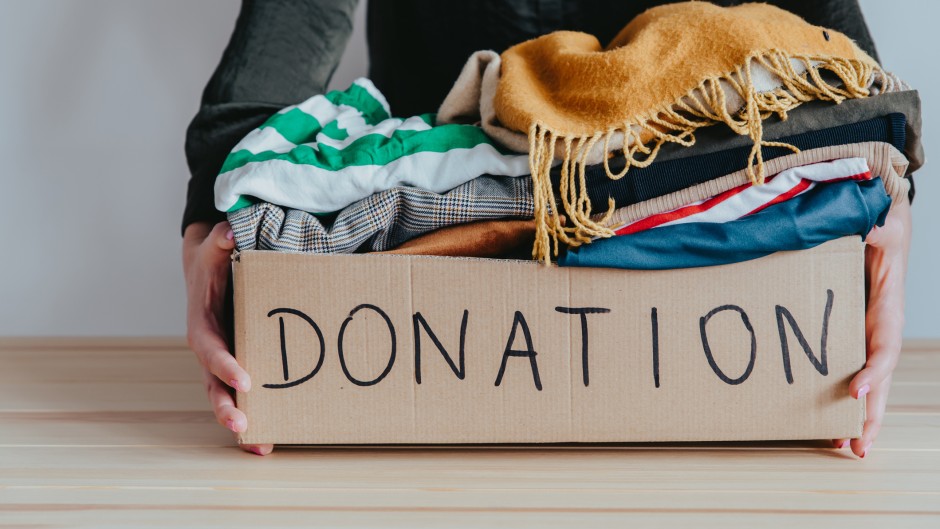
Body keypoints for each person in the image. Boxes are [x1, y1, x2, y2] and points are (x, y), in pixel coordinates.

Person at [182, 0, 913, 457]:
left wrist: (885, 198)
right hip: (420, 225)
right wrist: (217, 209)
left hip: (711, 169)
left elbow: (846, 78)